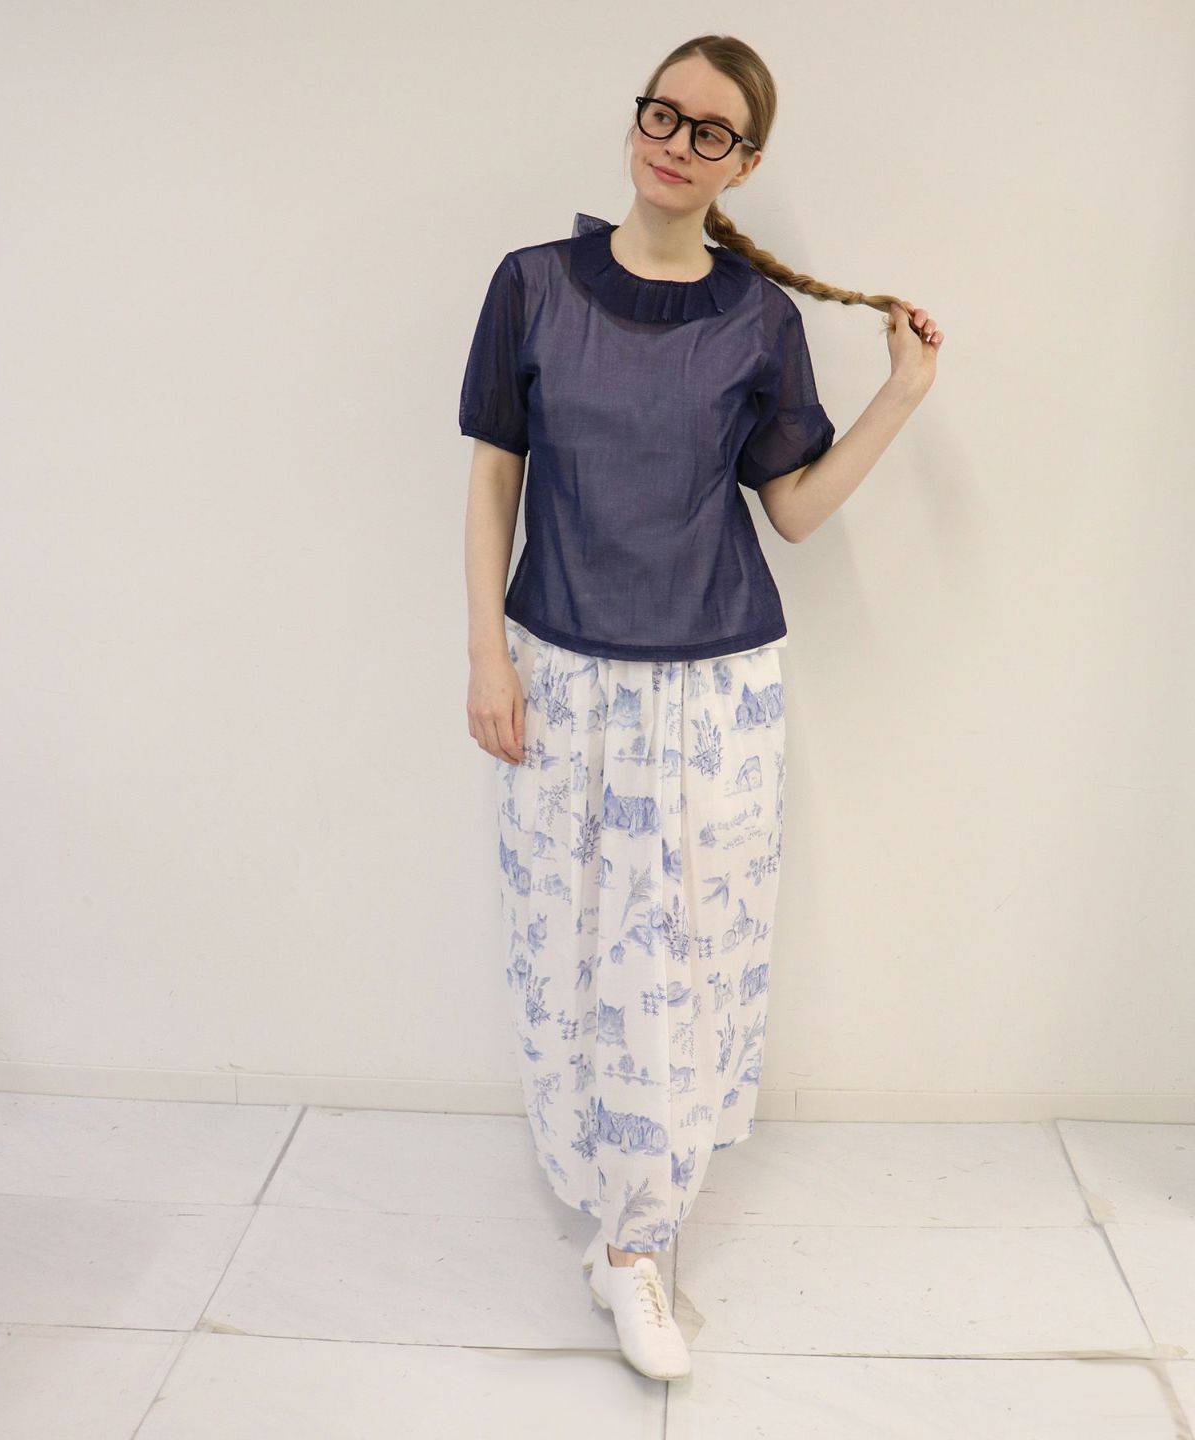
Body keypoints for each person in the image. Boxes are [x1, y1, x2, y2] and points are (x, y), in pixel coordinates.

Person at [458, 35, 943, 1382]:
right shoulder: (530, 288)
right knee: (573, 954)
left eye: (711, 130)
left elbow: (791, 509)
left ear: (746, 162)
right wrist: (488, 656)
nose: (677, 142)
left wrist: (901, 397)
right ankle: (616, 1221)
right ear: (637, 123)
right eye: (663, 114)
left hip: (717, 693)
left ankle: (637, 1246)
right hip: (562, 675)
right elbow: (494, 477)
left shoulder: (756, 321)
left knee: (682, 970)